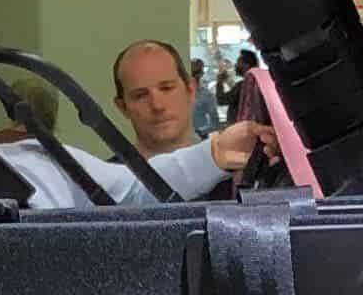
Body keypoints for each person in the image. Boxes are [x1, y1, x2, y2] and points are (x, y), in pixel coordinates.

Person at [115, 36, 268, 196]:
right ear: (122, 107)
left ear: (191, 90)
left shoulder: (237, 180)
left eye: (167, 88)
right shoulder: (109, 185)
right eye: (140, 95)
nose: (157, 106)